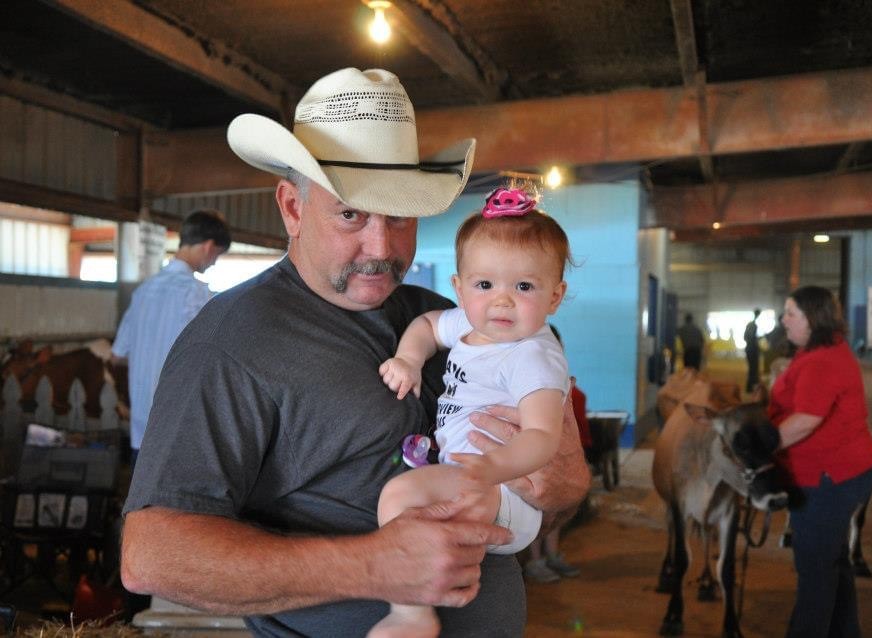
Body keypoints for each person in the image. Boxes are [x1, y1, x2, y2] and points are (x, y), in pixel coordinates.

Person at [119, 67, 590, 638]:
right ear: (292, 208)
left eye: (399, 215)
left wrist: (566, 482)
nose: (380, 246)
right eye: (351, 214)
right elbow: (152, 556)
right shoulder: (233, 341)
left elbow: (546, 492)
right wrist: (375, 567)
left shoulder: (448, 317)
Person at [372, 187, 571, 635]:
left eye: (524, 286)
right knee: (421, 519)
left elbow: (543, 436)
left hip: (504, 492)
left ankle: (410, 614)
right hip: (475, 479)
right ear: (460, 290)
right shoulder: (471, 324)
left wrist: (493, 467)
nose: (502, 300)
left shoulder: (533, 356)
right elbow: (427, 325)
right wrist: (409, 359)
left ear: (555, 296)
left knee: (399, 497)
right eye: (485, 285)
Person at [768, 286, 872, 638]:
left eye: (791, 313)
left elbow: (806, 420)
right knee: (833, 561)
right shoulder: (821, 349)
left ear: (813, 319)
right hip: (844, 471)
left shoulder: (821, 360)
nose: (784, 320)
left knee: (815, 569)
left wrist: (762, 448)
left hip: (828, 478)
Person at [111, 209, 231, 466]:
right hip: (179, 432)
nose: (214, 263)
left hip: (141, 431)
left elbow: (117, 355)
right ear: (208, 246)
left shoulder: (142, 292)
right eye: (217, 255)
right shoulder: (199, 296)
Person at [523, 325, 587, 584]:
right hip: (534, 456)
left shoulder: (561, 380)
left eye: (557, 346)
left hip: (557, 452)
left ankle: (552, 555)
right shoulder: (526, 378)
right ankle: (535, 560)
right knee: (538, 510)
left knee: (557, 507)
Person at [744, 308, 761, 392]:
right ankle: (752, 387)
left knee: (751, 369)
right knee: (754, 369)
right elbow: (752, 338)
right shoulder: (754, 325)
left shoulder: (749, 324)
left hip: (748, 349)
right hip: (753, 349)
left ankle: (749, 387)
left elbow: (745, 337)